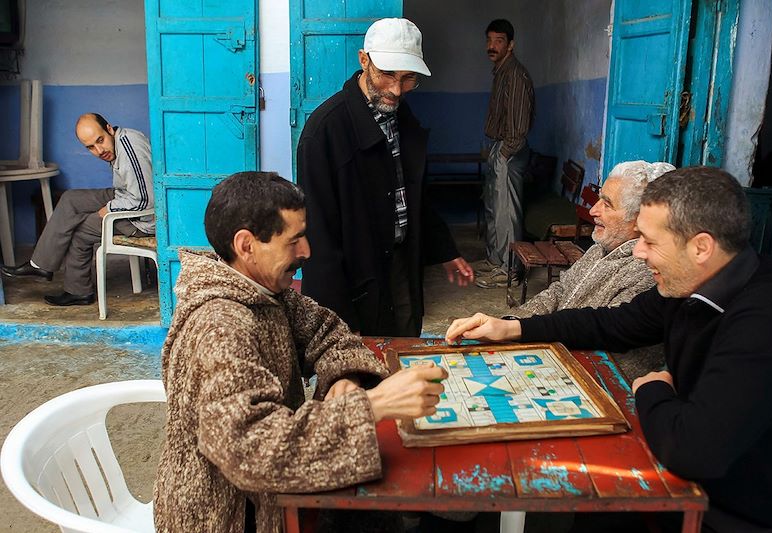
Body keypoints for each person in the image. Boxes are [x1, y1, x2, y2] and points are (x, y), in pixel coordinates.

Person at [446, 166, 772, 532]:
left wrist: (652, 389)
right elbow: (612, 323)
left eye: (649, 241)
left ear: (701, 247)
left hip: (736, 513)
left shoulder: (768, 318)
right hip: (684, 478)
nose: (640, 254)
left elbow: (693, 451)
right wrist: (512, 327)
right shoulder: (691, 283)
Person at [154, 171, 447, 533]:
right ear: (246, 246)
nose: (306, 251)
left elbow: (327, 329)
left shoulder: (264, 292)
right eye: (293, 241)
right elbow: (250, 449)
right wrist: (373, 406)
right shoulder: (219, 327)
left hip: (272, 501)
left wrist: (344, 375)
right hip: (228, 517)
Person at [297, 17, 473, 337]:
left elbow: (415, 195)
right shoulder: (325, 132)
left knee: (403, 349)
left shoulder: (402, 118)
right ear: (364, 60)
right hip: (352, 277)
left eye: (408, 79)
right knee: (359, 366)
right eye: (387, 74)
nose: (396, 89)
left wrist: (444, 249)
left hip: (400, 264)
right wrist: (330, 324)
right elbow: (318, 239)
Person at [1, 113, 154, 306]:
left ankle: (78, 291)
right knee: (71, 199)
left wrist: (108, 209)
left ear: (109, 129)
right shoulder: (117, 142)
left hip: (143, 220)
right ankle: (40, 265)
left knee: (81, 229)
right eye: (91, 147)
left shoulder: (130, 145)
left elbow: (146, 200)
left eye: (100, 140)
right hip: (125, 196)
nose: (99, 150)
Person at [518, 160, 674, 315]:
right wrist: (516, 320)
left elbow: (600, 332)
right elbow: (561, 289)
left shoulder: (644, 274)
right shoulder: (598, 249)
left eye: (607, 204)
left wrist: (522, 330)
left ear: (639, 218)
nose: (593, 211)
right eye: (599, 199)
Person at [475, 19, 535, 289]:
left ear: (511, 45)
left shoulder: (515, 75)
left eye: (499, 41)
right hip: (500, 148)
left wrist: (503, 154)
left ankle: (510, 270)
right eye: (489, 40)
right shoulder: (501, 71)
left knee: (506, 213)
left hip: (510, 151)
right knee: (493, 208)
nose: (492, 46)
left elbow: (519, 129)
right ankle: (495, 259)